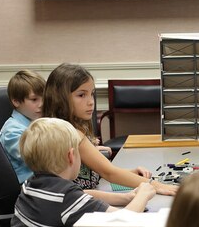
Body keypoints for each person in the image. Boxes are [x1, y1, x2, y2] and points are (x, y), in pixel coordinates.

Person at [5, 117, 156, 227]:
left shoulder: (32, 183)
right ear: (71, 156)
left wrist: (127, 198)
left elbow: (83, 196)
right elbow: (123, 223)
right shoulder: (65, 197)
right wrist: (143, 194)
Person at [43, 63, 177, 196]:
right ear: (60, 98)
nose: (91, 101)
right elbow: (109, 173)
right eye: (81, 95)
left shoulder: (64, 128)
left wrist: (130, 173)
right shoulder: (73, 134)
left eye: (92, 94)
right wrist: (157, 185)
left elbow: (100, 172)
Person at [0, 70, 46, 183]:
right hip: (26, 187)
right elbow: (36, 158)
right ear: (16, 101)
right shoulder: (11, 131)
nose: (42, 104)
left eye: (44, 98)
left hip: (42, 180)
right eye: (34, 99)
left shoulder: (37, 121)